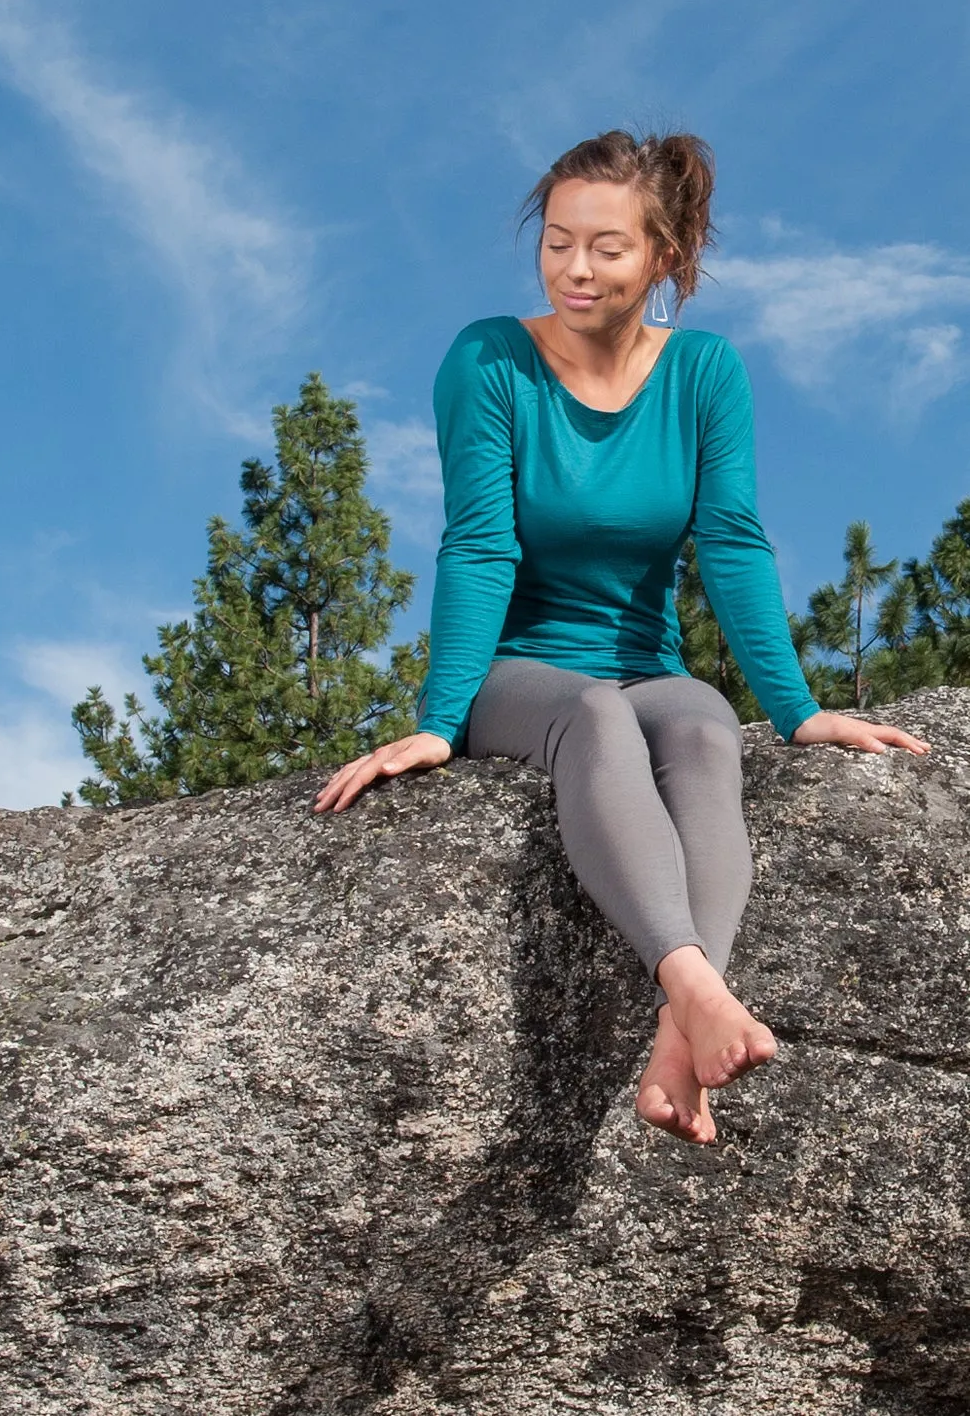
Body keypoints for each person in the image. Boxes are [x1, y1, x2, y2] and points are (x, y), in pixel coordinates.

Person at [312, 129, 931, 1146]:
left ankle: (672, 1038)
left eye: (607, 247)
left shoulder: (703, 373)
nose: (577, 270)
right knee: (595, 716)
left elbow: (731, 542)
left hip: (648, 662)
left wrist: (799, 710)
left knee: (698, 725)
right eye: (558, 243)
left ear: (664, 258)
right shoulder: (489, 361)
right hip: (524, 672)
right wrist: (438, 722)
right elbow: (479, 543)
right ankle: (693, 988)